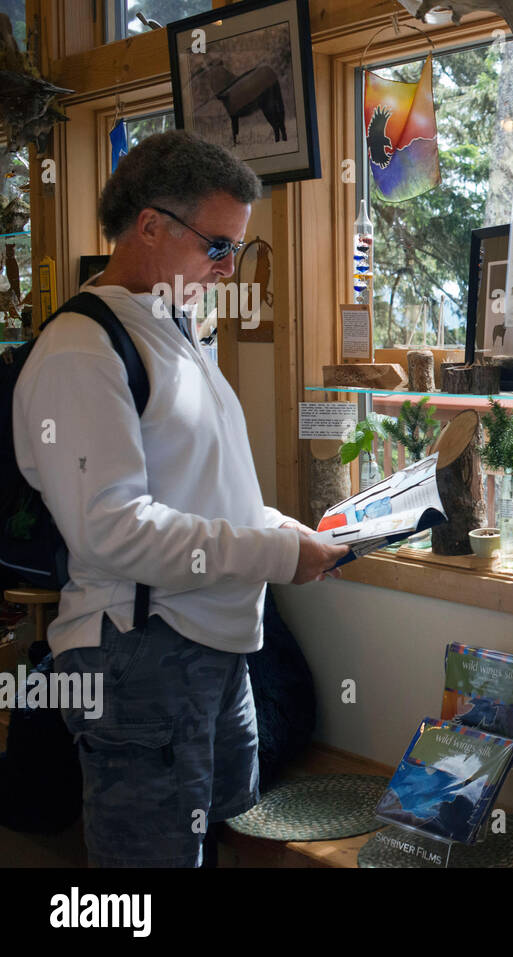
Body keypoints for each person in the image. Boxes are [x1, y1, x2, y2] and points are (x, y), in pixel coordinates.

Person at [12, 131, 349, 867]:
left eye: (239, 251)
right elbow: (114, 532)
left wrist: (284, 526)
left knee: (220, 842)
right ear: (150, 225)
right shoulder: (82, 351)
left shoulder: (174, 329)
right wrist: (279, 552)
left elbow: (201, 488)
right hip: (139, 657)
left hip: (215, 648)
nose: (228, 269)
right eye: (219, 247)